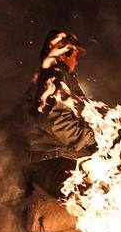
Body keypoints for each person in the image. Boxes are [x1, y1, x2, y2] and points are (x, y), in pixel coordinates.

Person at [22, 30, 97, 199]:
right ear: (63, 54)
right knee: (106, 202)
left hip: (61, 156)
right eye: (75, 55)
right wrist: (93, 137)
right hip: (54, 160)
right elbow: (55, 120)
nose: (77, 61)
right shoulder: (54, 76)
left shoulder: (57, 77)